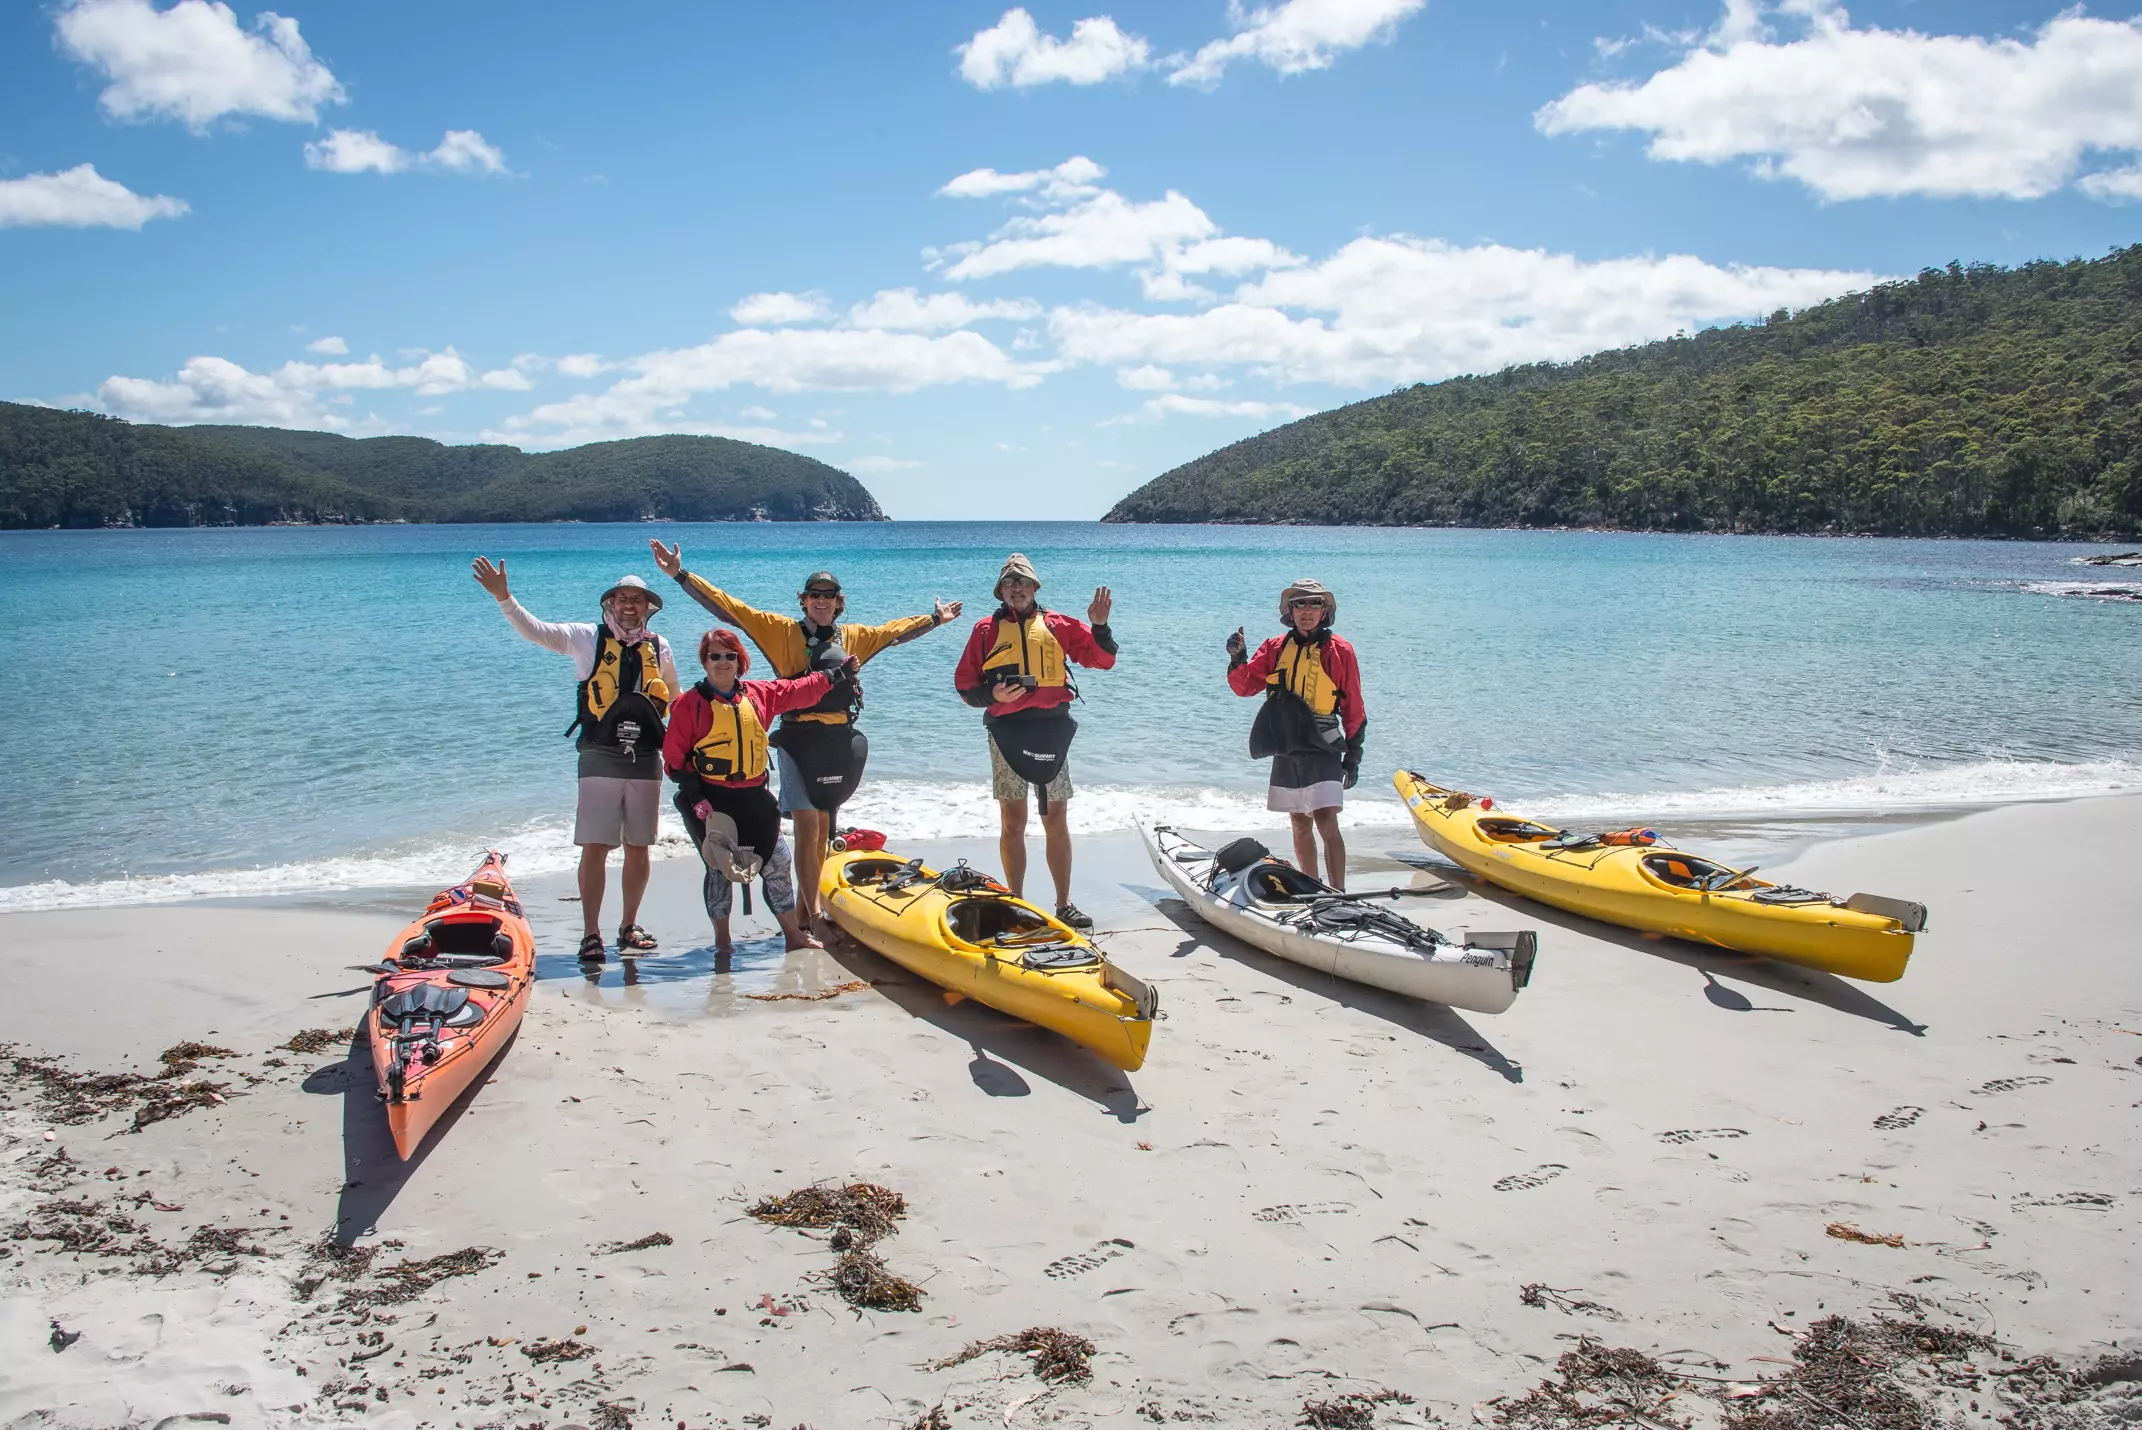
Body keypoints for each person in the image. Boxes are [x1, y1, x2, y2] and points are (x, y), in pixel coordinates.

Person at [648, 540, 960, 932]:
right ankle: (807, 914)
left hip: (838, 740)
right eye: (814, 595)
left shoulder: (854, 636)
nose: (821, 601)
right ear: (804, 600)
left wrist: (933, 619)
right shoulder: (781, 631)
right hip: (797, 739)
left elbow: (891, 633)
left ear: (838, 601)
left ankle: (817, 907)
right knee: (807, 824)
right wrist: (680, 575)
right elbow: (731, 608)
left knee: (827, 827)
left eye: (828, 595)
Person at [472, 557, 678, 961]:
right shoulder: (586, 637)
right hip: (600, 754)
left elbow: (673, 692)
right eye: (623, 599)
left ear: (648, 606)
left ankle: (628, 926)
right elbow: (536, 632)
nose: (630, 606)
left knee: (639, 846)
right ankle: (591, 934)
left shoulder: (661, 646)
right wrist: (504, 598)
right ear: (610, 604)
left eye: (637, 600)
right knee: (596, 845)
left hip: (646, 756)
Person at [663, 629, 857, 955]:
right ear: (704, 661)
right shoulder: (689, 706)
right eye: (715, 656)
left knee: (778, 863)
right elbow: (674, 760)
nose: (722, 662)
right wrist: (697, 799)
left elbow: (798, 690)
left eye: (729, 656)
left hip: (754, 797)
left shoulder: (757, 695)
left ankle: (793, 935)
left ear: (740, 661)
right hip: (713, 801)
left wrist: (836, 675)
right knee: (720, 870)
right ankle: (723, 942)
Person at [953, 553, 1116, 928]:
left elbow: (1101, 661)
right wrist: (994, 695)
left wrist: (1101, 627)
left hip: (1052, 731)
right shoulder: (984, 630)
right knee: (1013, 820)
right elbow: (965, 685)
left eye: (1023, 582)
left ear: (1035, 587)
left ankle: (1063, 904)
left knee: (1055, 817)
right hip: (1006, 733)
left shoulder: (1058, 624)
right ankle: (1016, 903)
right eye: (1009, 584)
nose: (1017, 589)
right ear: (1001, 592)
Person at [1226, 578, 1366, 890]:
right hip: (1287, 743)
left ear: (1324, 611)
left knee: (1326, 820)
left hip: (1324, 742)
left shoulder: (1340, 650)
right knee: (1299, 823)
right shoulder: (1275, 648)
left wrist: (1353, 758)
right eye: (1299, 603)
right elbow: (1245, 686)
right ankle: (1313, 889)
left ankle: (1338, 892)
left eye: (1314, 603)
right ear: (1289, 611)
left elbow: (1354, 707)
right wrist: (1238, 658)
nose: (1307, 610)